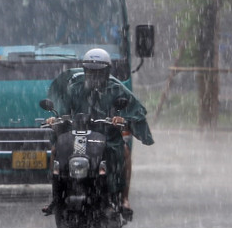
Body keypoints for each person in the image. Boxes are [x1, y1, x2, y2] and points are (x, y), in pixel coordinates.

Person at [42, 48, 153, 218]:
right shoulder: (74, 88)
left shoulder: (117, 89)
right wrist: (55, 119)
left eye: (99, 72)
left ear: (107, 71)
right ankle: (56, 195)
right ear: (85, 70)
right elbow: (63, 111)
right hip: (77, 136)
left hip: (107, 137)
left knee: (124, 152)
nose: (94, 76)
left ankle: (124, 198)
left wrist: (120, 118)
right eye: (90, 72)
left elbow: (135, 112)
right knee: (56, 150)